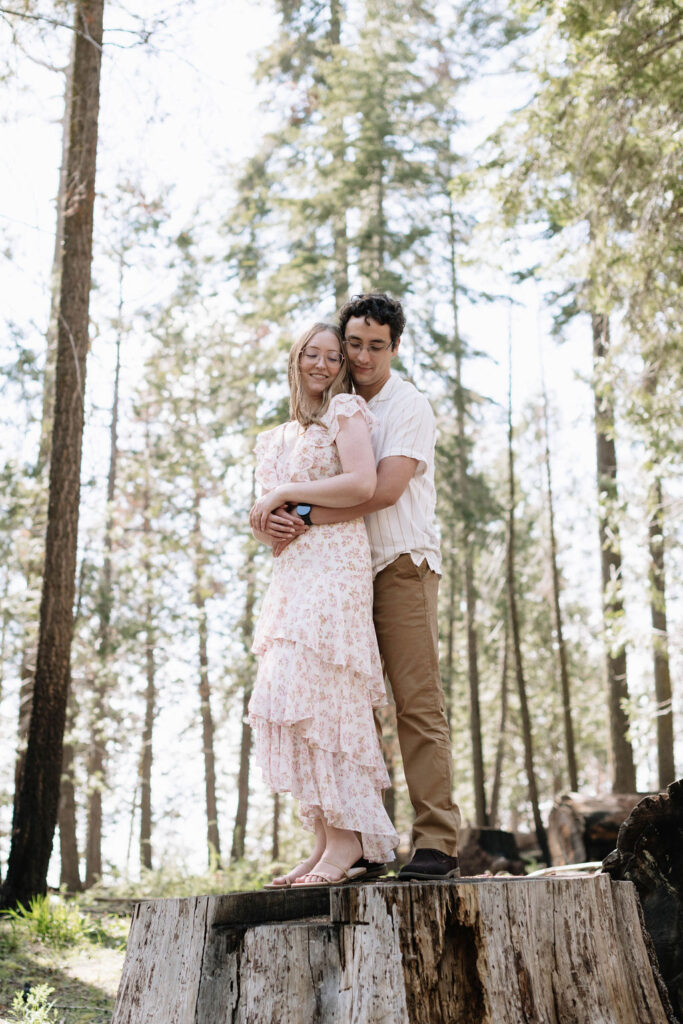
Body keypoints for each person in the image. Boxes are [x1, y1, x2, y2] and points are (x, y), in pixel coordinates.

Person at [263, 294, 461, 881]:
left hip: (399, 564)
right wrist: (279, 519)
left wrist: (298, 513)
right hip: (339, 576)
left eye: (377, 345)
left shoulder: (407, 406)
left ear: (394, 347)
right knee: (345, 710)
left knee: (416, 705)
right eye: (355, 344)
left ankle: (437, 842)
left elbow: (381, 490)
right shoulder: (328, 411)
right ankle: (365, 845)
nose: (364, 355)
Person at [248, 321, 399, 887]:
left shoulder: (347, 414)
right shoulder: (273, 437)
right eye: (312, 354)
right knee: (292, 693)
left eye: (333, 356)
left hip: (335, 565)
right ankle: (322, 840)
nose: (323, 364)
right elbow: (262, 519)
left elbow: (361, 484)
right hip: (291, 573)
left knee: (326, 691)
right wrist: (270, 524)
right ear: (296, 360)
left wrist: (288, 496)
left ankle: (349, 840)